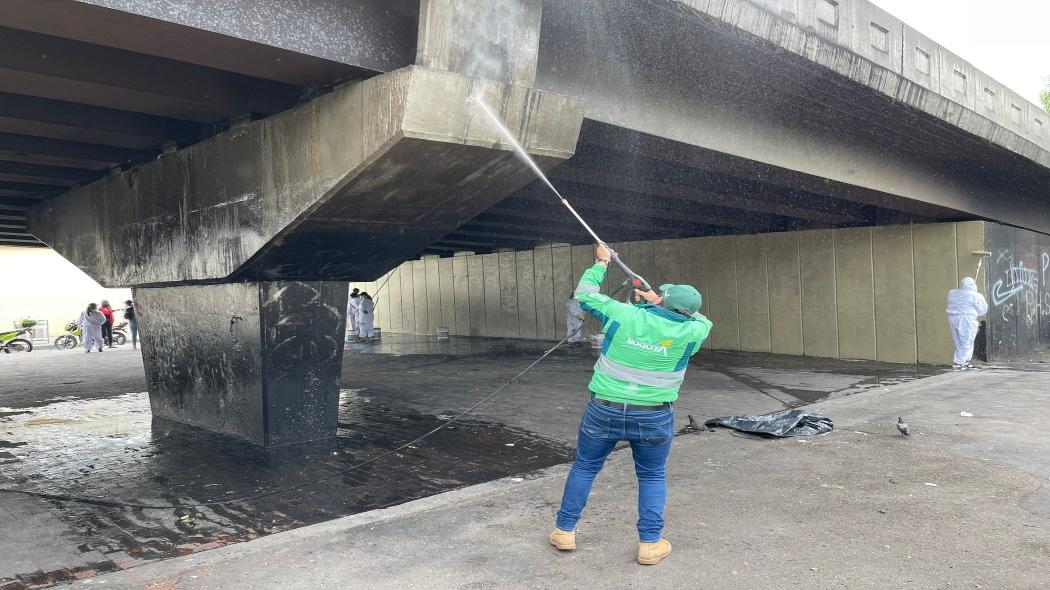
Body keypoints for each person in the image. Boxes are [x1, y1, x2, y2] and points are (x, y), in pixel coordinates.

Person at [550, 244, 713, 566]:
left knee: (584, 467)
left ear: (664, 300)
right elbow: (697, 316)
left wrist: (601, 262)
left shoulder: (623, 315)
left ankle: (564, 531)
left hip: (604, 409)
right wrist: (657, 299)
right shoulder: (695, 331)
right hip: (653, 416)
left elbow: (584, 295)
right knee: (651, 477)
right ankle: (650, 544)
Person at [946, 277, 988, 370]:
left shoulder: (952, 293)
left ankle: (964, 362)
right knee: (967, 341)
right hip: (967, 319)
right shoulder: (976, 296)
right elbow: (983, 310)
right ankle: (958, 362)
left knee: (958, 341)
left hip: (952, 318)